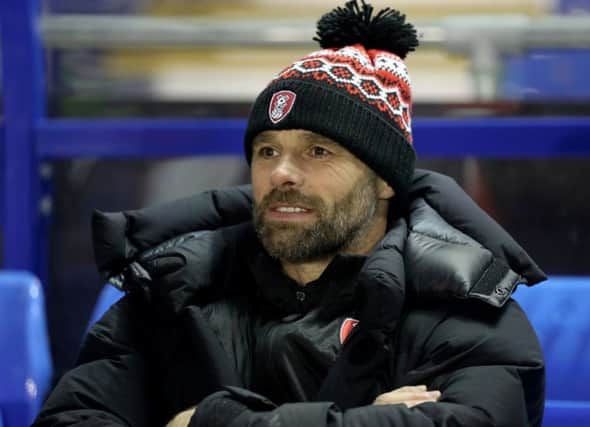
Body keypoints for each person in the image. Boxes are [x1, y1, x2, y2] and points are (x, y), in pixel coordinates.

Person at [33, 1, 546, 426]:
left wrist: (202, 421)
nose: (281, 174)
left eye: (318, 151)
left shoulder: (463, 307)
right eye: (267, 151)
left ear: (385, 180)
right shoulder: (174, 293)